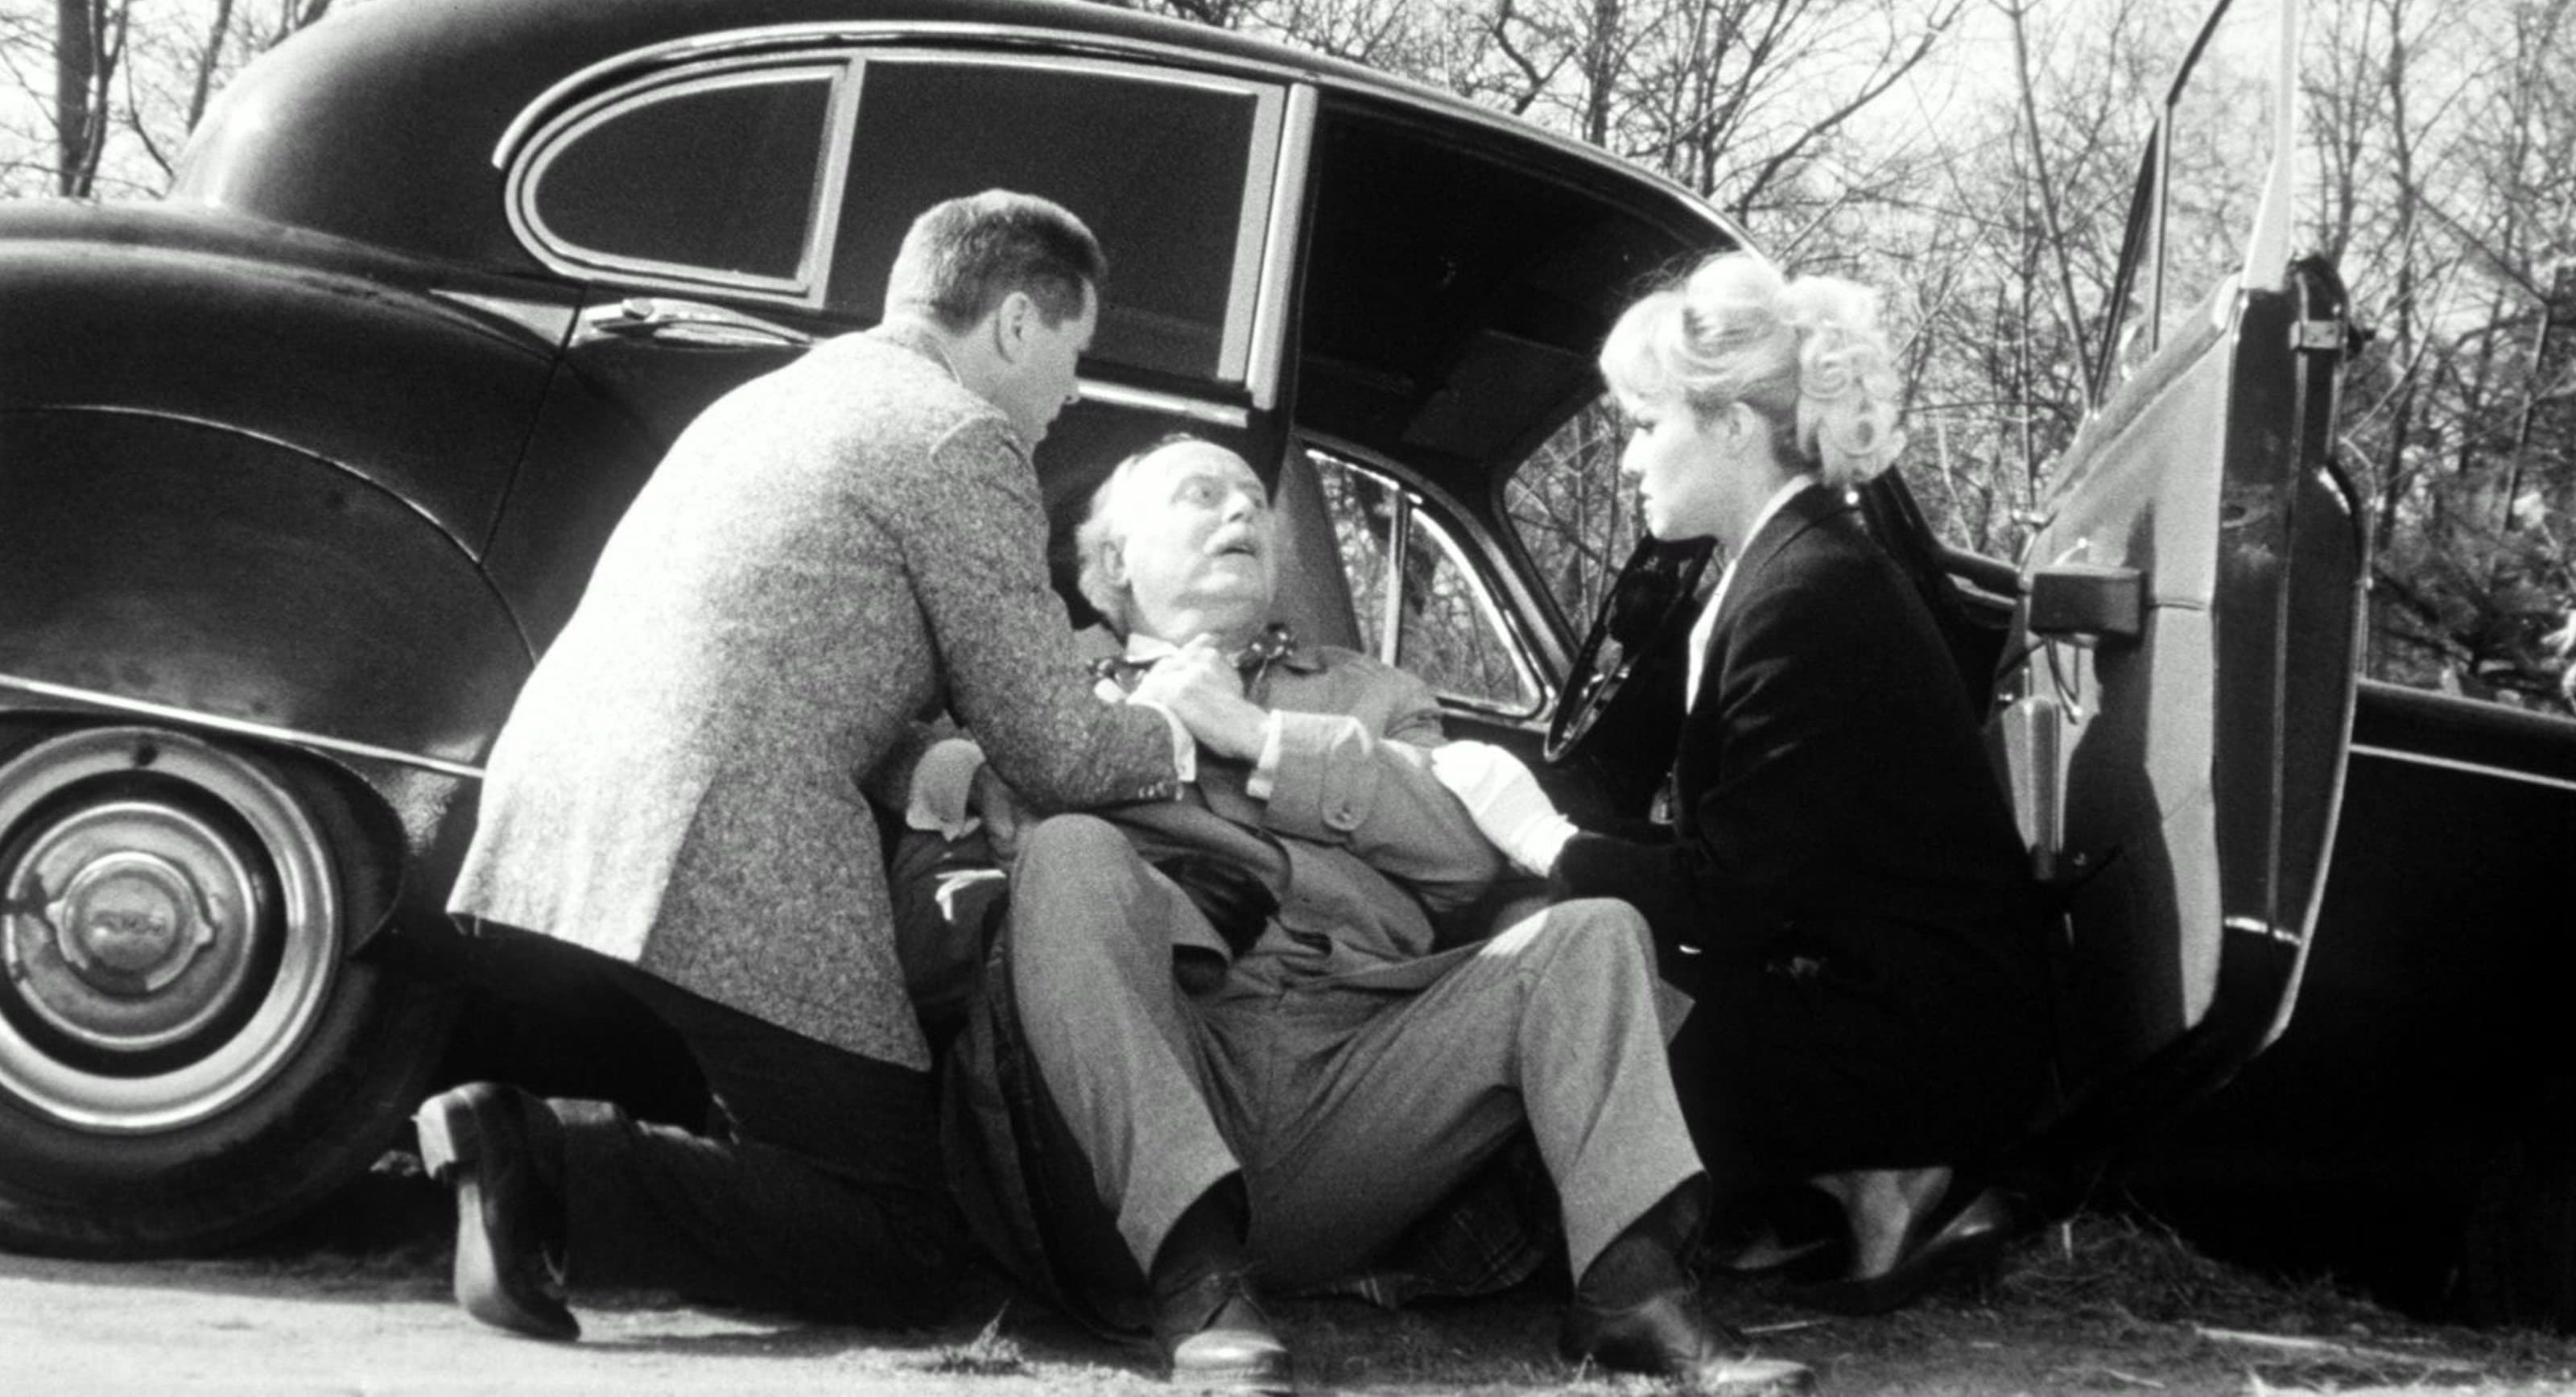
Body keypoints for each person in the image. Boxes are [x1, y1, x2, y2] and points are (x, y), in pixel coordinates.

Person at [418, 191, 1202, 1341]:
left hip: (564, 801)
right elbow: (1063, 744)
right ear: (1020, 324)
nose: (1071, 394)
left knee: (810, 1151)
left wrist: (942, 768)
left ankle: (551, 1169)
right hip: (732, 838)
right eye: (1074, 356)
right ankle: (545, 1157)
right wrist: (1184, 726)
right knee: (914, 1241)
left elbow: (794, 646)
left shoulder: (770, 400)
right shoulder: (958, 434)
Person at [955, 436, 1811, 1395]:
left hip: (1360, 1084)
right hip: (1149, 1066)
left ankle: (1630, 1293)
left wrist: (1257, 738)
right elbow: (963, 839)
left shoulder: (1376, 695)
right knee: (1071, 855)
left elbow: (1454, 857)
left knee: (1593, 929)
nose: (1243, 513)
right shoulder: (1040, 693)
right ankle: (1193, 1275)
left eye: (1253, 501)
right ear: (1113, 560)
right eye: (1203, 495)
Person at [1442, 252, 2054, 1315]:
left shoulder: (1810, 594)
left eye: (1643, 423)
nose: (1629, 458)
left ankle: (1885, 1166)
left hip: (1913, 1041)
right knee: (1578, 980)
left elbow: (1734, 895)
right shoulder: (1781, 570)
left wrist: (1544, 845)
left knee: (1579, 1030)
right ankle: (1839, 1184)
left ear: (1729, 424)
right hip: (1881, 1003)